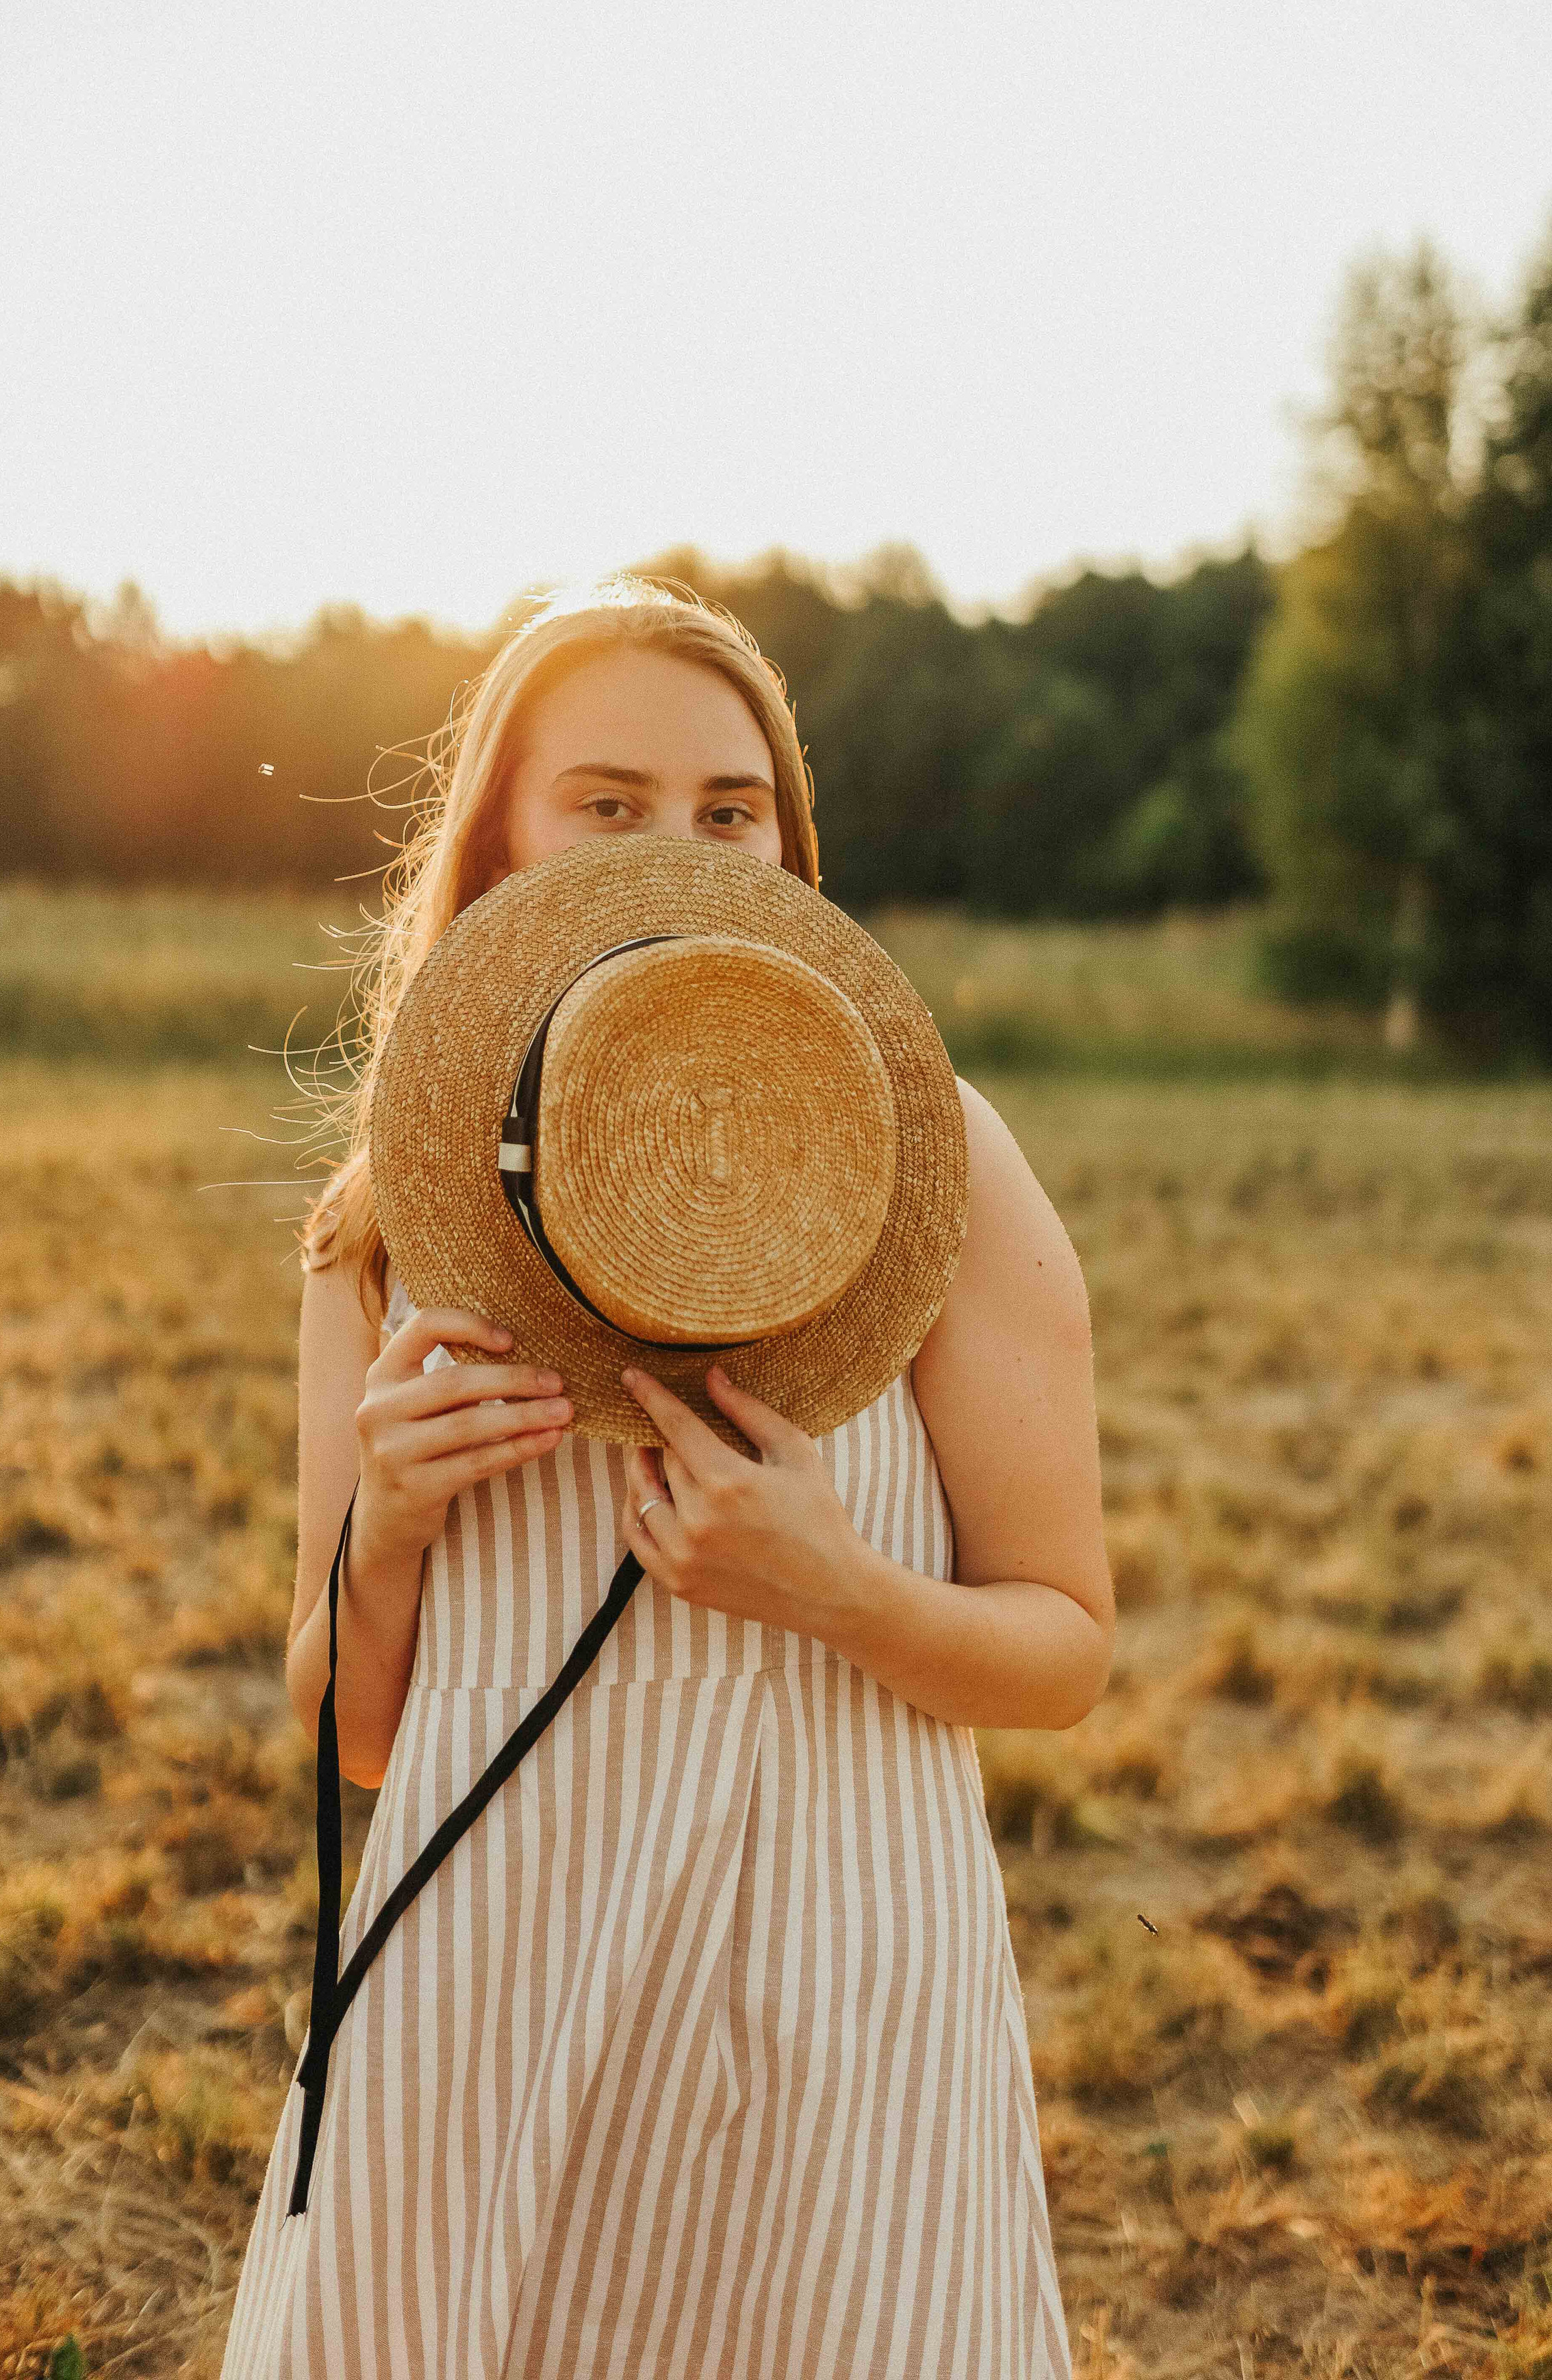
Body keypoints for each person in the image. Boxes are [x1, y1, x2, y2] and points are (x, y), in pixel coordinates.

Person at [220, 575, 1113, 2379]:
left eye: (731, 811)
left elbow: (1067, 1650)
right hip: (490, 1997)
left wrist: (833, 1587)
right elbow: (355, 1739)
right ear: (501, 841)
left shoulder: (938, 1171)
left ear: (790, 851)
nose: (676, 847)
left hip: (837, 1995)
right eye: (607, 802)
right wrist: (386, 1527)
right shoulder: (386, 1237)